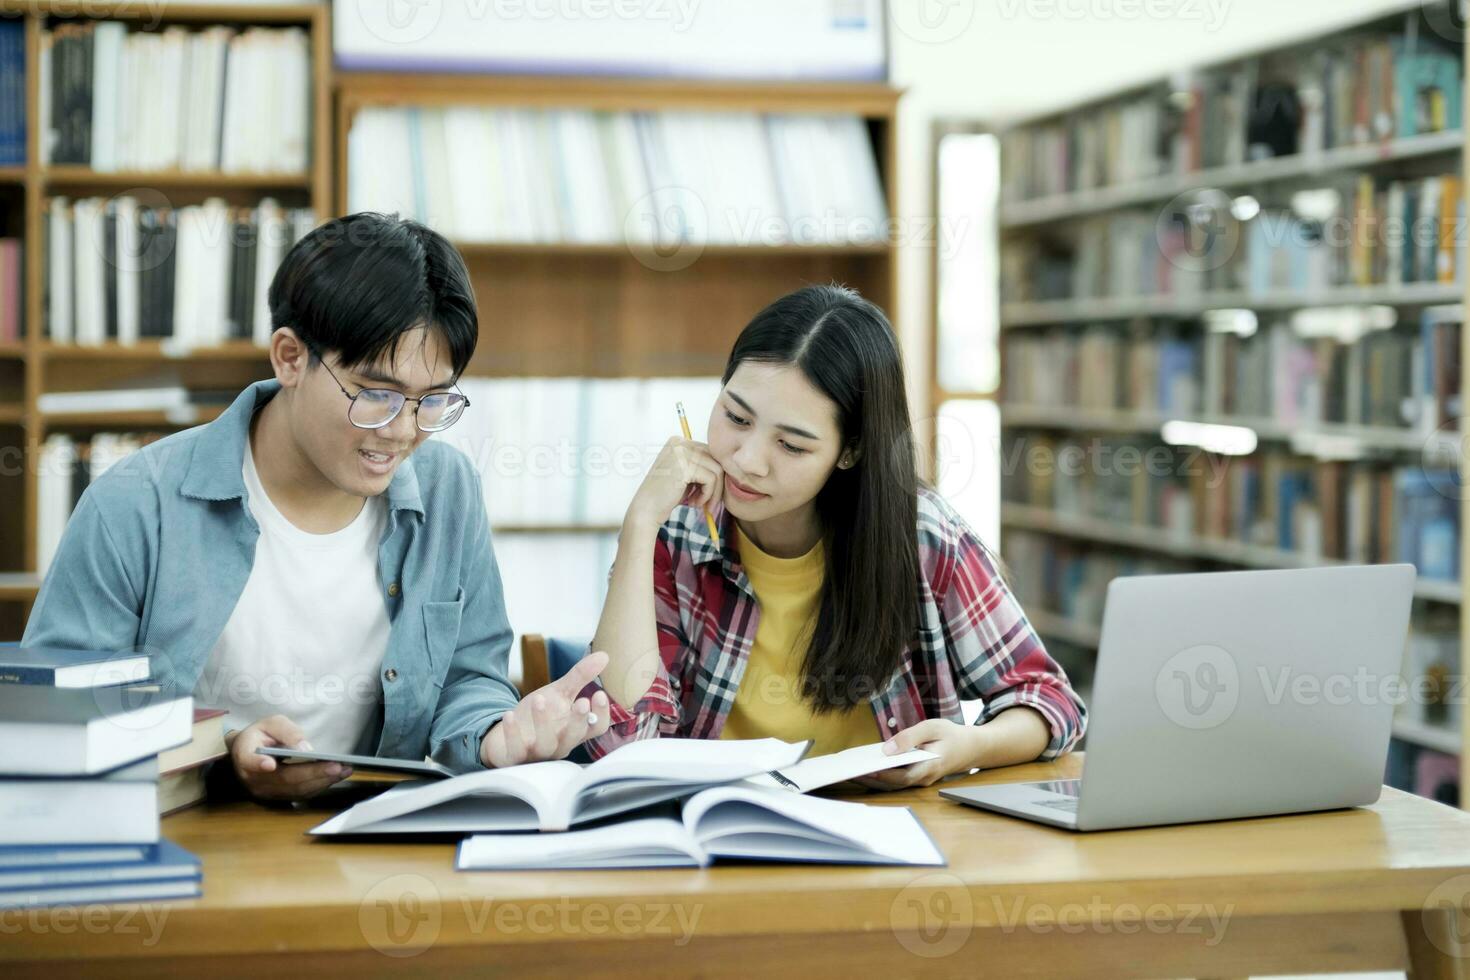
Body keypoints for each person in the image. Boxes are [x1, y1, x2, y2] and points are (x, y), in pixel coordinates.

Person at [23, 212, 610, 800]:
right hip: (191, 839)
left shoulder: (447, 488)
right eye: (376, 395)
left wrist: (490, 736)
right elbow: (59, 711)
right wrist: (223, 748)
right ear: (289, 357)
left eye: (431, 400)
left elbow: (469, 675)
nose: (403, 431)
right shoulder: (135, 504)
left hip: (369, 837)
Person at [588, 284, 1086, 787]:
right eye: (736, 417)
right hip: (721, 831)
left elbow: (1050, 702)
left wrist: (969, 747)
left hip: (892, 841)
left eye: (792, 445)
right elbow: (619, 746)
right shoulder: (677, 533)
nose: (746, 460)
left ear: (849, 452)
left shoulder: (921, 537)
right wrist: (639, 525)